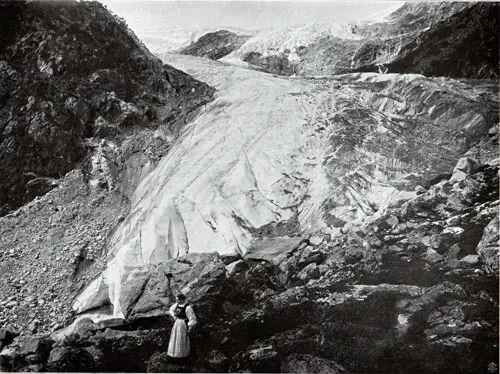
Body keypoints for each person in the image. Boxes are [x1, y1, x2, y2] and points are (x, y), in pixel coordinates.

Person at [167, 293, 197, 364]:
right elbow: (171, 310)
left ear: (182, 299)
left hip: (183, 324)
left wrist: (190, 327)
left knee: (181, 339)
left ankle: (182, 356)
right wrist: (174, 316)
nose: (176, 301)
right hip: (177, 323)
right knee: (175, 338)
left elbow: (192, 318)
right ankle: (173, 355)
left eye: (177, 299)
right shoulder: (176, 305)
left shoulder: (188, 308)